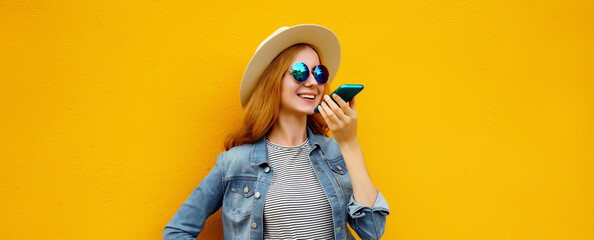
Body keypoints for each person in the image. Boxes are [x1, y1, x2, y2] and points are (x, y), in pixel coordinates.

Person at [163, 24, 390, 240]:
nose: (312, 82)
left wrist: (350, 145)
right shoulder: (234, 164)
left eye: (319, 73)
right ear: (273, 81)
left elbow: (372, 232)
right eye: (300, 72)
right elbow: (176, 232)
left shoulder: (335, 152)